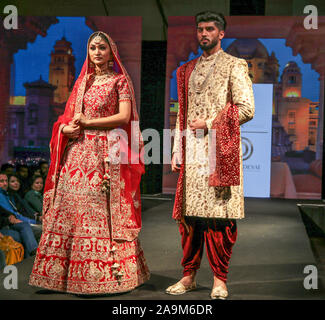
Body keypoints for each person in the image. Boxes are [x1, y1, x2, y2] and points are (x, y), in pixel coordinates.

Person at [29, 31, 150, 295]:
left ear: (111, 52)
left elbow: (124, 116)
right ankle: (59, 276)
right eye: (93, 48)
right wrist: (63, 131)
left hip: (105, 155)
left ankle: (106, 276)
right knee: (67, 208)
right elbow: (67, 118)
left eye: (102, 48)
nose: (97, 52)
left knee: (99, 210)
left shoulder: (120, 82)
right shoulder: (82, 82)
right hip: (77, 153)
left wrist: (88, 123)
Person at [165, 11, 254, 299]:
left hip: (220, 153)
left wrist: (209, 122)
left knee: (219, 220)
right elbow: (182, 115)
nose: (204, 33)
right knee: (190, 219)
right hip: (191, 154)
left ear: (221, 33)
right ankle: (188, 276)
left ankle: (219, 280)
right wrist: (176, 149)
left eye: (210, 29)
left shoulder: (235, 65)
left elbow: (246, 109)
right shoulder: (186, 70)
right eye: (201, 29)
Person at [0, 172, 38, 257]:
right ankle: (34, 256)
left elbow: (20, 212)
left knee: (27, 231)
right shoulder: (5, 196)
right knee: (23, 231)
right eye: (1, 181)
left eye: (6, 181)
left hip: (12, 223)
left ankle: (32, 259)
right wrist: (9, 219)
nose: (5, 183)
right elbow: (11, 214)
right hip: (5, 226)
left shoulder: (9, 195)